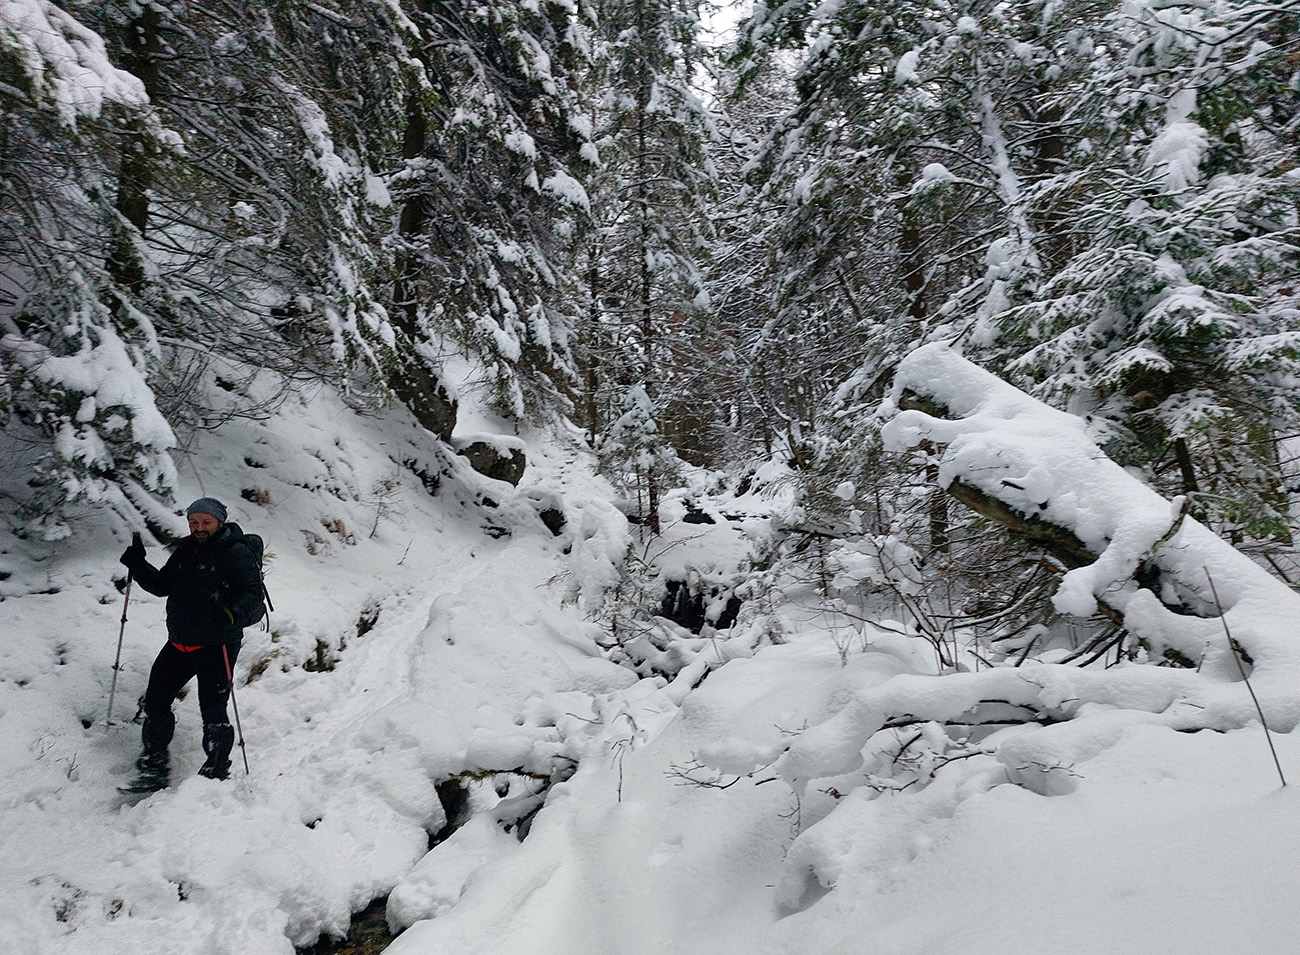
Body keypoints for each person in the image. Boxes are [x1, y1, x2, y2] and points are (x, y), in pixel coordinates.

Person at [119, 497, 265, 783]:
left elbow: (253, 593)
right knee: (156, 703)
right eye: (193, 522)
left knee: (213, 709)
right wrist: (139, 565)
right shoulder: (186, 550)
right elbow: (162, 585)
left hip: (218, 645)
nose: (199, 527)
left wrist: (232, 613)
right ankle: (154, 764)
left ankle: (216, 769)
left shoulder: (235, 553)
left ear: (219, 522)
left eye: (206, 522)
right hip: (179, 642)